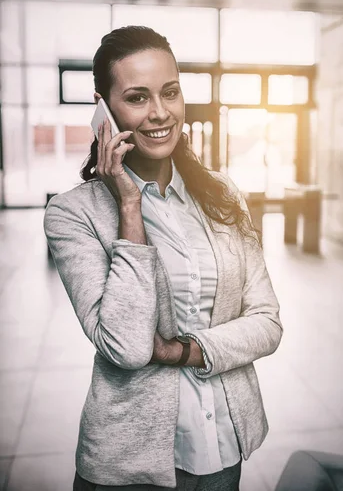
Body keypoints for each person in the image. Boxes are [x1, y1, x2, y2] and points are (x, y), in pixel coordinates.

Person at [44, 25, 283, 491]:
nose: (160, 113)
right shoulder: (73, 214)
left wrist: (182, 351)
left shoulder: (223, 194)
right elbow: (128, 347)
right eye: (137, 97)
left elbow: (268, 322)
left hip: (222, 446)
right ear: (104, 110)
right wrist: (129, 206)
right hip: (129, 464)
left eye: (170, 92)